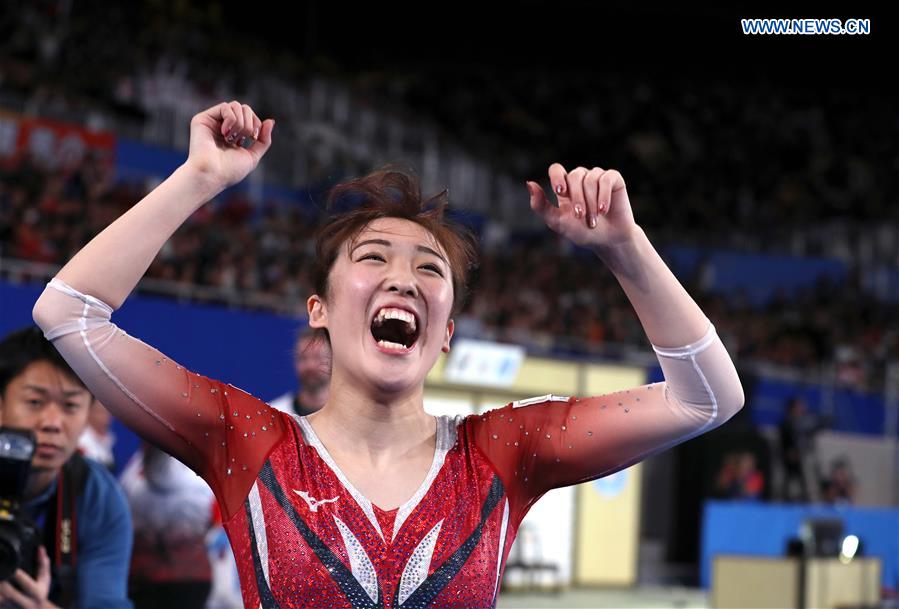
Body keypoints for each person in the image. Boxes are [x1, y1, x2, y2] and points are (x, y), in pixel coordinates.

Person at [31, 101, 744, 608]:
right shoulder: (246, 439)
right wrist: (201, 178)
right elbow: (68, 311)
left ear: (445, 332)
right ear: (319, 311)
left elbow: (706, 396)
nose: (403, 276)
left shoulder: (499, 452)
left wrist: (623, 247)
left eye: (429, 268)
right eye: (373, 257)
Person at [0, 327, 133, 609]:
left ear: (88, 415)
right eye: (34, 402)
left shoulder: (98, 497)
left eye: (70, 406)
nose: (52, 423)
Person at [119, 443, 216, 609]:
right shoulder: (135, 470)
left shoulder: (189, 473)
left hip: (177, 584)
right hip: (151, 581)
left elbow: (158, 473)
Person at [269, 326, 331, 415]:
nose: (310, 366)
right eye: (303, 358)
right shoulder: (275, 415)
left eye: (318, 357)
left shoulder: (350, 416)